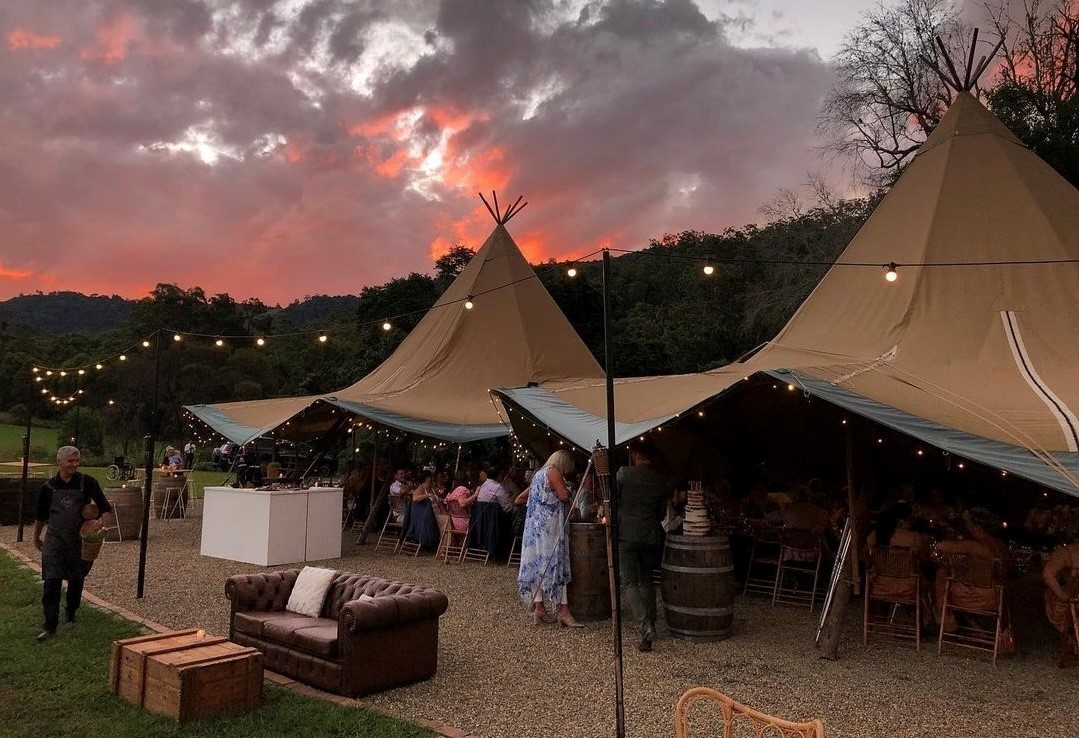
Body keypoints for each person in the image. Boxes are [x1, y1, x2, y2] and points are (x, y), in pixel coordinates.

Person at [33, 446, 113, 641]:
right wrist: (36, 538)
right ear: (59, 461)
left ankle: (71, 612)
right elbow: (41, 516)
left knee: (76, 578)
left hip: (78, 540)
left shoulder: (87, 483)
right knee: (52, 580)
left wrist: (102, 529)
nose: (75, 465)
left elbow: (104, 507)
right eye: (70, 461)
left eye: (77, 461)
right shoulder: (48, 487)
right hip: (54, 539)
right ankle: (50, 625)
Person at [517, 450, 583, 627]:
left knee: (537, 565)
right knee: (556, 565)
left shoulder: (538, 475)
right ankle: (563, 611)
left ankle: (539, 607)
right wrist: (568, 490)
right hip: (549, 528)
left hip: (534, 528)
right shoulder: (553, 472)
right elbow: (562, 495)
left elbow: (522, 498)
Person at [616, 438, 670, 652]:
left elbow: (614, 500)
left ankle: (645, 624)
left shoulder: (623, 474)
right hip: (650, 535)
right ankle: (652, 621)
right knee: (647, 579)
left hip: (627, 534)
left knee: (629, 582)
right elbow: (661, 513)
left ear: (636, 455)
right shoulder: (660, 481)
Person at [1043, 521, 1079, 667]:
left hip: (1071, 600)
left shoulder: (1067, 552)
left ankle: (1073, 640)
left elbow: (1047, 574)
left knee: (1054, 603)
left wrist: (1062, 595)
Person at [403, 469, 441, 551]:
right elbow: (415, 498)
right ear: (427, 478)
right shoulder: (420, 488)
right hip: (422, 516)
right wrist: (427, 495)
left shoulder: (431, 488)